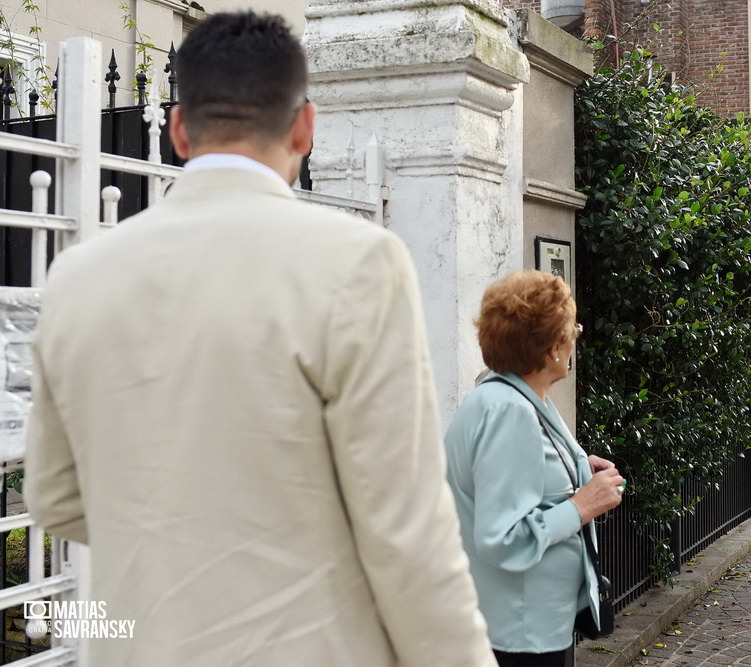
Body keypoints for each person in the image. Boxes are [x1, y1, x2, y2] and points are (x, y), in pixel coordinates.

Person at [24, 12, 495, 667]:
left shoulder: (77, 277)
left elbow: (52, 495)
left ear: (179, 130)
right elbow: (408, 534)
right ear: (305, 124)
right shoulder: (357, 265)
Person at [444, 271, 625, 667]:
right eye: (571, 329)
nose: (575, 337)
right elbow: (501, 538)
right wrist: (582, 505)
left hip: (519, 622)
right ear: (553, 347)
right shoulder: (510, 412)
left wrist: (579, 467)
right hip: (522, 634)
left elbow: (525, 476)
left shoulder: (508, 393)